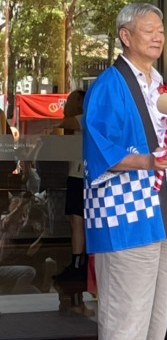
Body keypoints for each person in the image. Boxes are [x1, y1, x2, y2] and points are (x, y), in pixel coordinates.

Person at [83, 3, 167, 340]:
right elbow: (100, 148)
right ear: (125, 36)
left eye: (161, 30)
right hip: (127, 216)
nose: (158, 36)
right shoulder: (109, 85)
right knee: (125, 322)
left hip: (165, 212)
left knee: (157, 319)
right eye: (149, 30)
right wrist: (146, 160)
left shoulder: (160, 85)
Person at [52, 90, 88, 299]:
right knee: (77, 221)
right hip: (78, 175)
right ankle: (78, 262)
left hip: (80, 176)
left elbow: (66, 123)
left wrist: (52, 126)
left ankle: (78, 263)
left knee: (77, 221)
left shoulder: (83, 120)